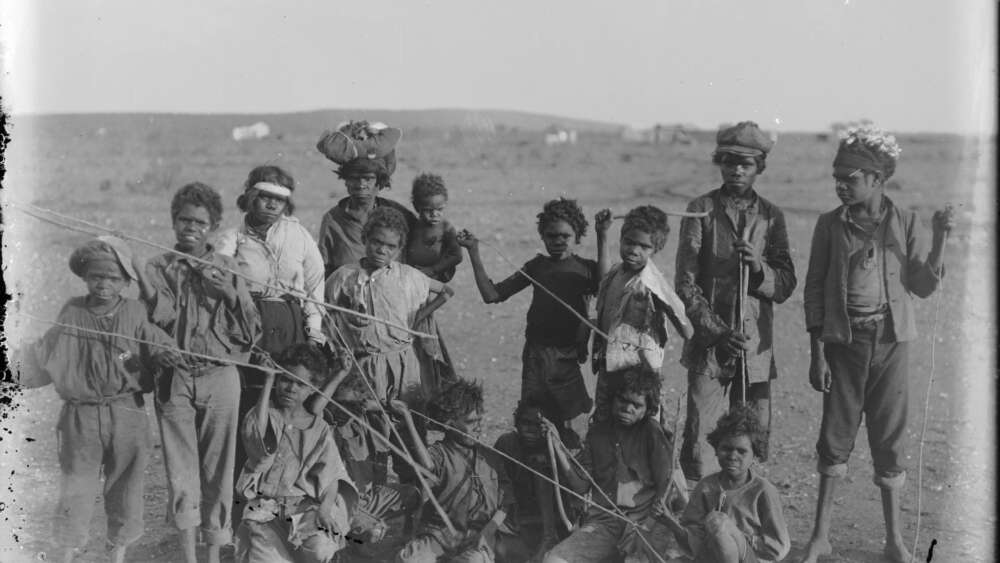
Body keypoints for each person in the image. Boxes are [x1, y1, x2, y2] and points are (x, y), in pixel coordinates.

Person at [798, 124, 955, 563]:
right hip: (843, 346)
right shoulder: (829, 225)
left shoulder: (904, 221)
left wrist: (941, 239)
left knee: (890, 440)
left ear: (877, 180)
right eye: (838, 177)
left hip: (891, 344)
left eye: (851, 178)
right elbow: (814, 289)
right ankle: (820, 537)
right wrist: (817, 354)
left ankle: (894, 542)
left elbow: (923, 286)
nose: (841, 185)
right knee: (835, 438)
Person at [16, 237, 185, 563]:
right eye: (97, 277)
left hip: (126, 413)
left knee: (126, 491)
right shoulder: (72, 311)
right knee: (75, 491)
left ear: (125, 282)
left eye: (113, 278)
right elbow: (43, 356)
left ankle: (116, 555)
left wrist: (166, 357)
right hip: (80, 418)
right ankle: (67, 553)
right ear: (85, 277)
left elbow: (159, 345)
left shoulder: (135, 311)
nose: (104, 285)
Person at [134, 182, 262, 563]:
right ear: (174, 221)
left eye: (200, 222)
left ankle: (211, 556)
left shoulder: (228, 268)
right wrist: (162, 352)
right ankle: (188, 557)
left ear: (214, 225)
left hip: (220, 377)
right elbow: (150, 324)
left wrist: (230, 294)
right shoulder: (158, 268)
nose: (191, 227)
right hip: (174, 380)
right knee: (181, 471)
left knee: (219, 471)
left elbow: (251, 332)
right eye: (184, 220)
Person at [674, 121, 797, 483]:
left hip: (755, 348)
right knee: (700, 439)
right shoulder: (700, 210)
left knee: (749, 438)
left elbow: (786, 283)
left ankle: (742, 520)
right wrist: (717, 332)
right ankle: (700, 518)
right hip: (710, 347)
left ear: (759, 167)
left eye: (746, 163)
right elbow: (685, 283)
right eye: (729, 161)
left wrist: (759, 268)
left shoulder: (772, 216)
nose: (736, 169)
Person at [215, 165, 327, 522]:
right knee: (252, 410)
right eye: (264, 196)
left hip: (291, 327)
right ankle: (241, 505)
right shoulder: (232, 239)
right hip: (250, 331)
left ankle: (285, 499)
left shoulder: (298, 236)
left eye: (279, 199)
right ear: (249, 195)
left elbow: (314, 285)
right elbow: (218, 277)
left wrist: (315, 331)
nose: (271, 205)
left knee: (288, 405)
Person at [457, 198, 598, 443]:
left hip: (568, 357)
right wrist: (473, 251)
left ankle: (569, 472)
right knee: (534, 419)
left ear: (577, 236)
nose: (558, 241)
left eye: (565, 235)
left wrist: (604, 236)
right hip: (535, 355)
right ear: (542, 237)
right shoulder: (537, 267)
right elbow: (492, 295)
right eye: (551, 236)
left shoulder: (587, 269)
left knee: (570, 421)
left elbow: (605, 287)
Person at [542, 366, 684, 563]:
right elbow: (581, 486)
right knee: (554, 560)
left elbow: (666, 486)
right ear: (612, 399)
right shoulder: (597, 434)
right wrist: (558, 448)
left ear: (647, 409)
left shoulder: (652, 432)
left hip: (645, 520)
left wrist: (649, 524)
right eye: (622, 400)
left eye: (636, 405)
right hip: (604, 522)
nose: (628, 408)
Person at [234, 343, 358, 563]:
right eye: (285, 380)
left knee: (320, 549)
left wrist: (325, 511)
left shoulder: (318, 428)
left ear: (312, 389)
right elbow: (258, 441)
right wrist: (269, 379)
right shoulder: (266, 414)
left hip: (303, 508)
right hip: (265, 510)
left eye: (300, 384)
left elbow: (331, 478)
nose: (290, 388)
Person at [392, 379, 526, 563]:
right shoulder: (439, 453)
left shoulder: (491, 457)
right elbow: (428, 466)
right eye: (471, 422)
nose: (478, 427)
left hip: (480, 536)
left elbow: (506, 501)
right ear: (448, 424)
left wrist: (488, 531)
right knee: (408, 559)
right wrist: (408, 419)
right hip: (440, 535)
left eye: (480, 420)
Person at [591, 205, 692, 422]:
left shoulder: (652, 282)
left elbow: (685, 327)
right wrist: (602, 234)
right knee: (605, 420)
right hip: (611, 365)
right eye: (629, 242)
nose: (633, 250)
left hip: (639, 375)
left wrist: (664, 306)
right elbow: (604, 280)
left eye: (643, 247)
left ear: (655, 249)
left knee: (641, 426)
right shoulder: (618, 272)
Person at [310, 361, 422, 553]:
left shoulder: (366, 423)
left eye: (350, 406)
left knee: (416, 495)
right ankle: (358, 537)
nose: (342, 411)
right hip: (340, 501)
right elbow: (316, 410)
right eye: (338, 404)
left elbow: (393, 418)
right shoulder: (323, 426)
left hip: (370, 498)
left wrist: (380, 407)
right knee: (373, 535)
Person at [659, 406, 791, 563]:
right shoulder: (706, 487)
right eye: (726, 449)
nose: (732, 456)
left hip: (751, 559)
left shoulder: (763, 491)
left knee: (717, 522)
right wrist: (671, 523)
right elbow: (692, 543)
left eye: (741, 451)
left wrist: (737, 538)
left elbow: (778, 547)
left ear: (755, 455)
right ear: (716, 449)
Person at [316, 124, 417, 277]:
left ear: (380, 182)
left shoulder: (401, 215)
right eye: (355, 178)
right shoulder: (333, 220)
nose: (361, 185)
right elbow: (323, 268)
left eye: (368, 179)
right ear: (346, 181)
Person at [493, 398, 580, 561]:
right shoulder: (507, 444)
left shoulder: (561, 444)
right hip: (516, 523)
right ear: (516, 423)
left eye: (538, 424)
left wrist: (555, 448)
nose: (531, 430)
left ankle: (549, 540)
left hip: (554, 524)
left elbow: (576, 492)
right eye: (526, 423)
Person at [406, 172, 462, 396]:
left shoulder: (446, 229)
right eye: (429, 210)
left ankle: (432, 391)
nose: (435, 215)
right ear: (418, 207)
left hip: (430, 284)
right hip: (411, 281)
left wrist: (432, 271)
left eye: (439, 209)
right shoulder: (413, 227)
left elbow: (456, 256)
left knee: (425, 334)